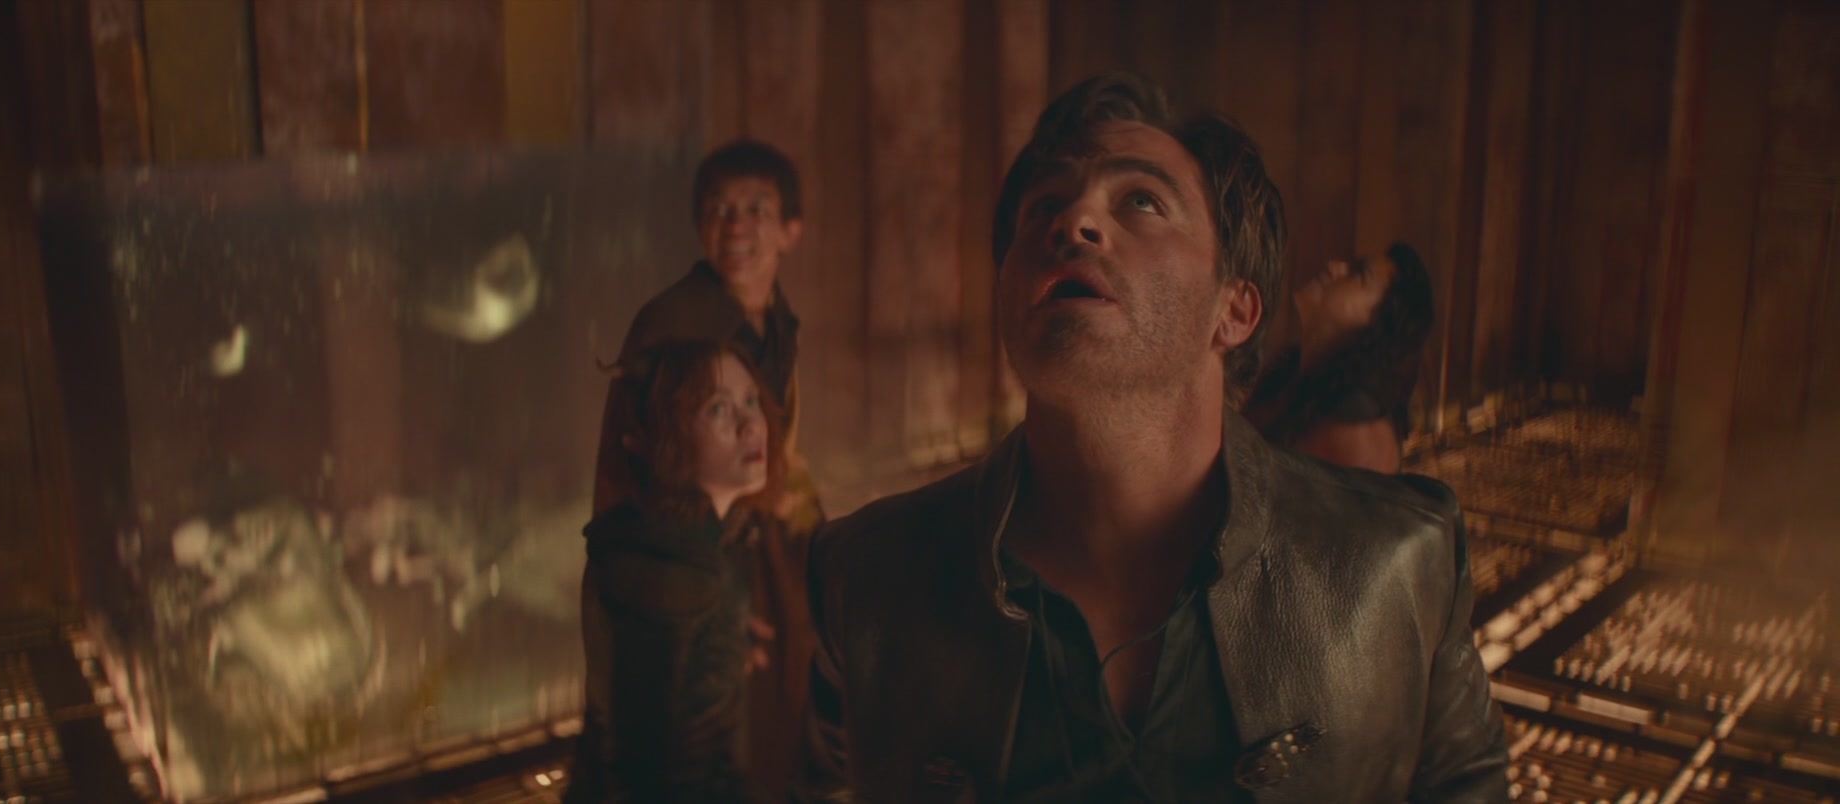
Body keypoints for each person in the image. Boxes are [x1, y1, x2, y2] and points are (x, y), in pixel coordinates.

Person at [795, 72, 1507, 802]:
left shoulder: (1400, 564)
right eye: (1044, 204)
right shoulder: (870, 578)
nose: (1073, 220)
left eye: (1141, 200)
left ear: (1234, 310)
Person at [590, 139, 822, 793]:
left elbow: (781, 444)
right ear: (699, 225)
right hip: (680, 564)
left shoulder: (776, 320)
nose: (736, 226)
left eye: (756, 209)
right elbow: (627, 469)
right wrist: (686, 593)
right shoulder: (675, 325)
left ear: (791, 229)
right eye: (719, 209)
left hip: (753, 544)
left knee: (778, 709)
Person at [569, 339, 787, 803]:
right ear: (664, 435)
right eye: (717, 409)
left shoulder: (661, 546)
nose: (751, 423)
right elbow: (666, 777)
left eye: (751, 400)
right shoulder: (674, 570)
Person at [1244, 242, 1436, 474]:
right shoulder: (1290, 376)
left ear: (1380, 324)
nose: (1334, 266)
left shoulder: (1358, 433)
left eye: (1358, 274)